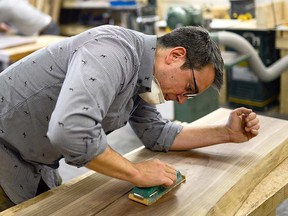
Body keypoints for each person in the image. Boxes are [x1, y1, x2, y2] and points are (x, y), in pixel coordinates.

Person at [0, 24, 260, 211]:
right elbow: (70, 129)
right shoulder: (113, 51)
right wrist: (136, 172)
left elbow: (157, 133)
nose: (182, 99)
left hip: (36, 165)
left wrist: (226, 133)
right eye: (189, 88)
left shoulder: (142, 80)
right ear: (176, 55)